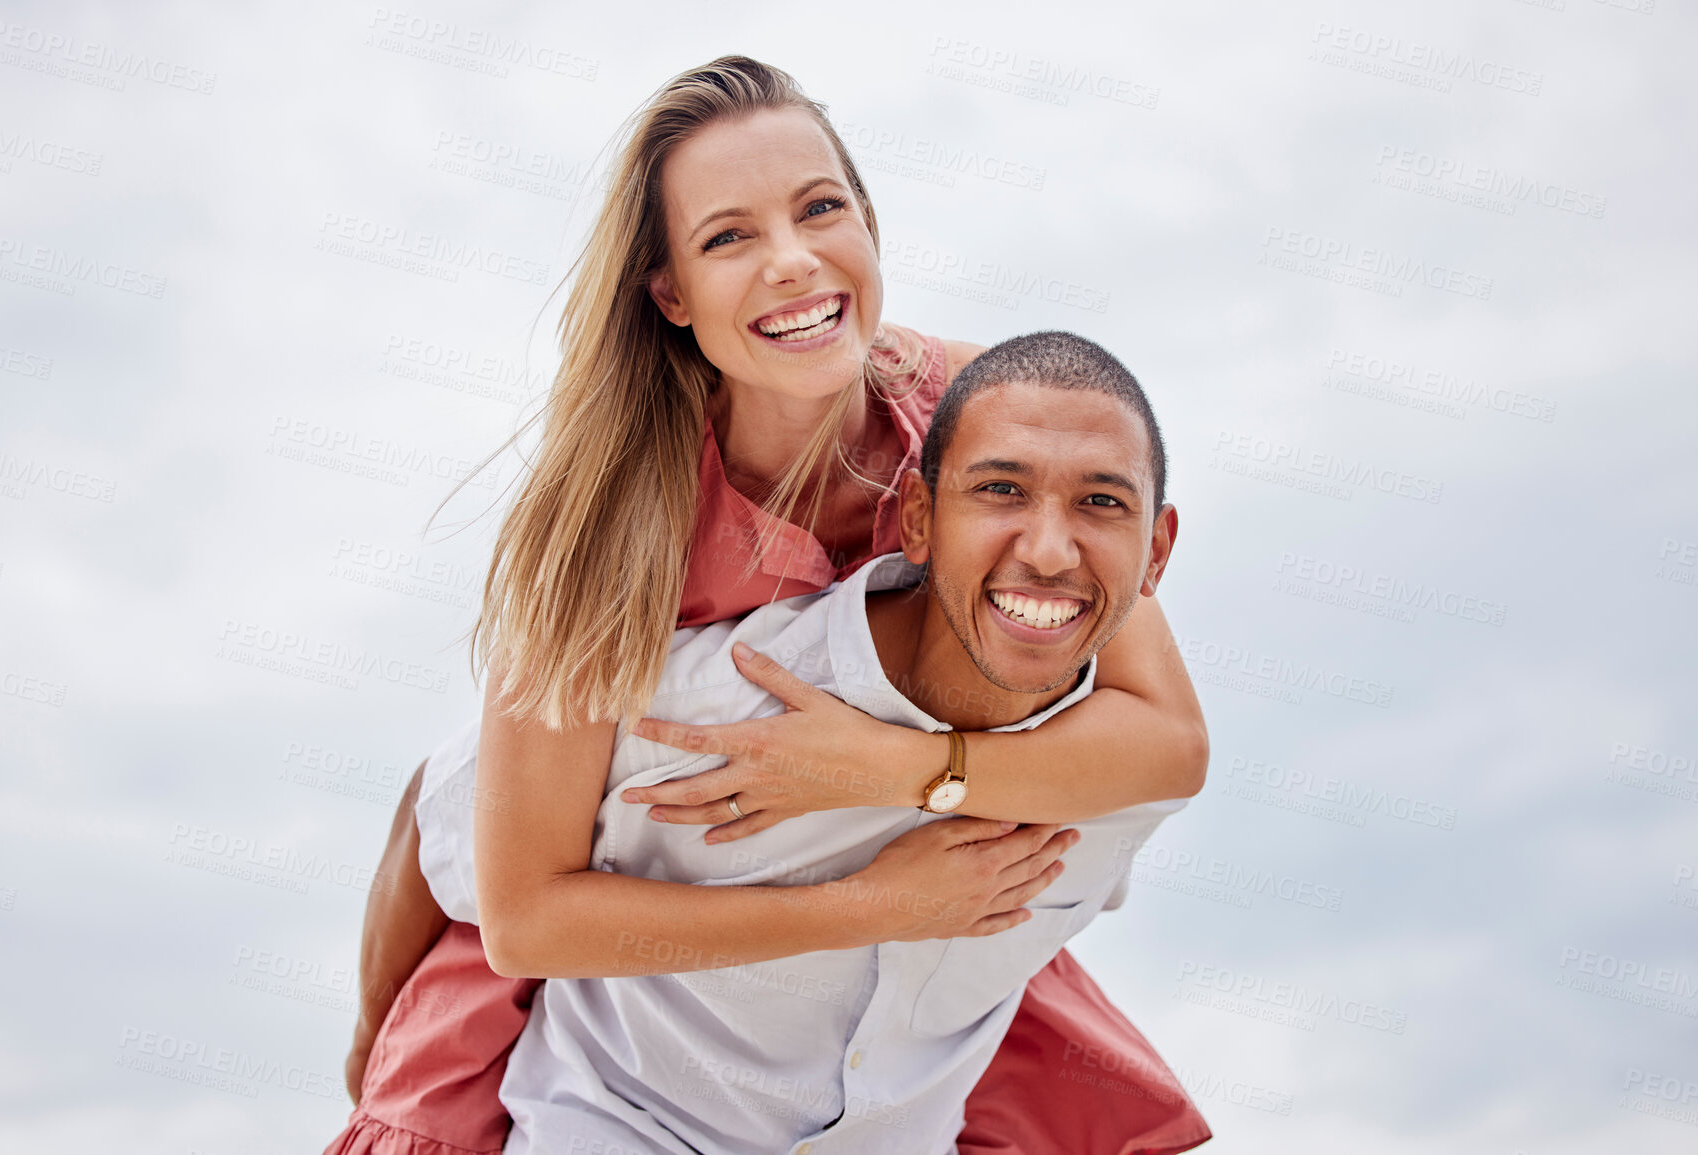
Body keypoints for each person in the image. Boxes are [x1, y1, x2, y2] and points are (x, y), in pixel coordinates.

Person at [328, 56, 1209, 1155]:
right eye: (729, 237)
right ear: (671, 293)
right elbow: (515, 900)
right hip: (617, 873)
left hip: (876, 855)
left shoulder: (985, 419)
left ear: (870, 226)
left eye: (820, 208)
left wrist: (886, 776)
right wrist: (868, 909)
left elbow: (1164, 737)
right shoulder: (610, 521)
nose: (794, 263)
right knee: (422, 1043)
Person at [417, 330, 1193, 1154]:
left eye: (1101, 503)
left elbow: (1177, 758)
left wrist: (908, 774)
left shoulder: (1120, 786)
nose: (1045, 549)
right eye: (1001, 489)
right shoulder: (710, 704)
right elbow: (466, 838)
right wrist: (865, 907)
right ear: (919, 519)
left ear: (1156, 552)